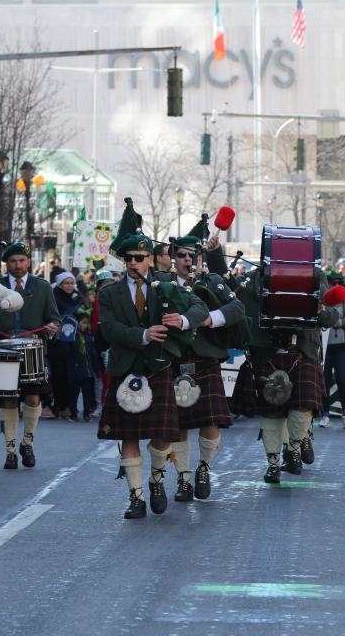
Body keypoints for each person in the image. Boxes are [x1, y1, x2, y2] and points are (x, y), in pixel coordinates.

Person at [97, 208, 209, 519]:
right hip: (124, 368)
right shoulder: (109, 293)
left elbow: (200, 306)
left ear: (150, 259)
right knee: (128, 436)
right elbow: (109, 329)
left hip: (159, 368)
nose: (133, 263)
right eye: (129, 258)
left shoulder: (168, 285)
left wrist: (184, 319)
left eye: (139, 257)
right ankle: (136, 496)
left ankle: (157, 478)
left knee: (163, 435)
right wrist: (144, 334)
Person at [231, 251, 338, 484]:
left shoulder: (315, 276)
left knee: (301, 408)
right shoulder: (255, 279)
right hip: (266, 350)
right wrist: (213, 254)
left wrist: (321, 310)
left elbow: (331, 317)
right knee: (272, 412)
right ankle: (272, 464)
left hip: (301, 350)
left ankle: (296, 446)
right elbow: (228, 291)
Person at [161, 220, 246, 502]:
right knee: (180, 424)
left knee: (210, 419)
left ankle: (204, 469)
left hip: (205, 359)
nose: (187, 260)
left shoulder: (212, 282)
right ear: (174, 257)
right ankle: (183, 477)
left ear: (199, 258)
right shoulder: (163, 284)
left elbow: (237, 308)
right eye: (182, 255)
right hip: (175, 360)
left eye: (192, 256)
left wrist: (210, 318)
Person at [0, 243, 61, 469]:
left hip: (33, 350)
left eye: (22, 261)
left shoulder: (43, 287)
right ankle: (9, 450)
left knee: (33, 398)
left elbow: (55, 318)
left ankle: (27, 443)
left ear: (29, 262)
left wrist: (52, 326)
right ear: (7, 264)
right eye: (14, 261)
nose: (18, 265)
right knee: (8, 399)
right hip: (3, 350)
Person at [321, 273, 345, 429]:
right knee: (324, 381)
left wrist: (341, 322)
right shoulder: (323, 301)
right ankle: (325, 414)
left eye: (339, 282)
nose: (336, 285)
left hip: (343, 346)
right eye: (333, 282)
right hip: (325, 347)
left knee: (343, 380)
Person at [49, 271, 86, 418]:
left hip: (73, 342)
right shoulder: (53, 296)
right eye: (66, 283)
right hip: (57, 342)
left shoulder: (77, 297)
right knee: (58, 375)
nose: (69, 286)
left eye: (71, 283)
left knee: (71, 375)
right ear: (60, 284)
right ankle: (59, 405)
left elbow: (84, 313)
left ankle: (70, 407)